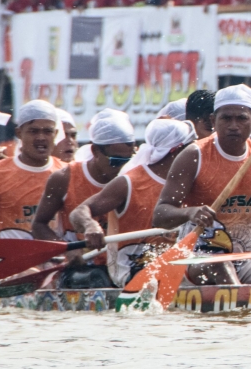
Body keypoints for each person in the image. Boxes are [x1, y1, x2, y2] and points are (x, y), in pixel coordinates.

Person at [151, 84, 251, 285]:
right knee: (221, 266)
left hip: (248, 258)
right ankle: (238, 311)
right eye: (226, 118)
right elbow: (160, 215)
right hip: (199, 258)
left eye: (242, 118)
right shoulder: (194, 155)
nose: (234, 126)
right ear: (213, 121)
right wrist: (190, 213)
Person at [74, 119, 196, 286]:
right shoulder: (129, 183)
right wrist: (90, 226)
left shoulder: (192, 182)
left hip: (175, 263)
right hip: (132, 268)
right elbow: (80, 211)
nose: (198, 153)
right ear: (177, 151)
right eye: (192, 147)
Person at [32, 110, 137, 244]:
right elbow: (39, 225)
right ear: (95, 151)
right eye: (116, 161)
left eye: (128, 160)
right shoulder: (63, 178)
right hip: (82, 262)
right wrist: (67, 253)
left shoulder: (134, 175)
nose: (123, 167)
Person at [0, 100, 63, 240]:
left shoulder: (66, 172)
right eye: (33, 131)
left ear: (55, 134)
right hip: (14, 260)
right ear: (19, 133)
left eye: (48, 131)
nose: (41, 137)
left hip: (58, 259)